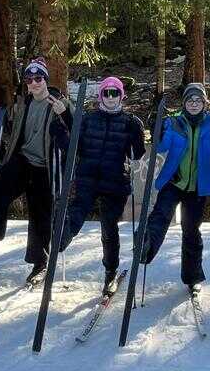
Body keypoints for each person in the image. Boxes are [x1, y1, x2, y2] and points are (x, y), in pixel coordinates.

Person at [0, 59, 72, 284]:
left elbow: (76, 129)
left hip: (46, 166)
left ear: (45, 80)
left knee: (40, 215)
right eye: (29, 80)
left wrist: (65, 114)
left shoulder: (60, 102)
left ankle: (40, 263)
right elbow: (14, 129)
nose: (34, 83)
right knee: (2, 182)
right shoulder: (25, 103)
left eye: (38, 78)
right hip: (24, 159)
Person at [53, 76, 147, 296]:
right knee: (79, 209)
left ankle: (110, 271)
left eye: (115, 93)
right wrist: (61, 133)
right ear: (100, 96)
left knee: (109, 226)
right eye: (107, 93)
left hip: (114, 181)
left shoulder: (129, 121)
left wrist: (137, 134)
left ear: (121, 96)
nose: (111, 97)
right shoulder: (89, 119)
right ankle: (62, 237)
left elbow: (137, 155)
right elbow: (75, 144)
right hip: (88, 176)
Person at [138, 82, 210, 292]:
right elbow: (161, 147)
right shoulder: (174, 123)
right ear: (184, 103)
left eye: (198, 100)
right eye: (190, 100)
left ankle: (192, 277)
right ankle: (145, 246)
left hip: (198, 188)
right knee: (161, 215)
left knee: (191, 231)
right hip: (173, 181)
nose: (194, 104)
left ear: (204, 103)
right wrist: (157, 131)